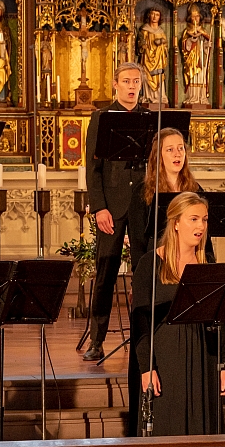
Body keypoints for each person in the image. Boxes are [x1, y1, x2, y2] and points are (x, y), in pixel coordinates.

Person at [133, 192, 225, 436]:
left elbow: (218, 319)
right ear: (176, 223)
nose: (201, 226)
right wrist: (147, 367)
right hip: (167, 356)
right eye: (194, 219)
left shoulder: (207, 263)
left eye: (205, 220)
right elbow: (140, 322)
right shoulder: (150, 263)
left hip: (204, 354)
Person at [83, 62, 149, 361]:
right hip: (112, 206)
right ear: (115, 84)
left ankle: (144, 338)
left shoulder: (149, 118)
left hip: (142, 205)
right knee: (106, 273)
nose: (132, 86)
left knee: (144, 272)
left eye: (136, 81)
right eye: (126, 81)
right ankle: (96, 340)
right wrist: (99, 207)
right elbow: (93, 168)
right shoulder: (102, 117)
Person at [180, 5, 211, 106]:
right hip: (192, 58)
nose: (195, 19)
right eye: (193, 16)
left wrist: (207, 45)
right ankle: (193, 97)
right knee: (193, 76)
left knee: (201, 77)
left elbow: (207, 44)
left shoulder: (203, 30)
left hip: (201, 57)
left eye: (197, 16)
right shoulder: (187, 30)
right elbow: (184, 45)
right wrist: (191, 40)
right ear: (190, 18)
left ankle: (202, 97)